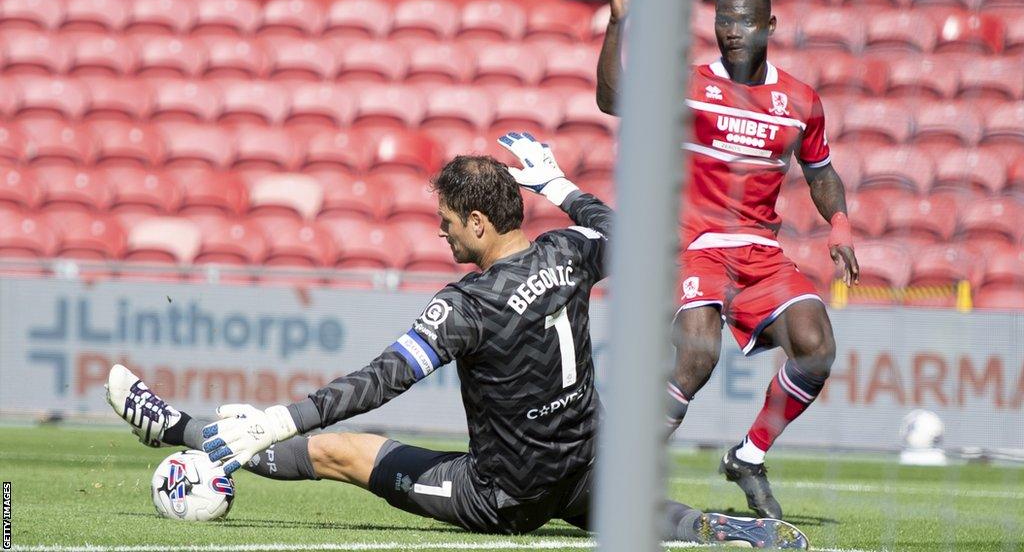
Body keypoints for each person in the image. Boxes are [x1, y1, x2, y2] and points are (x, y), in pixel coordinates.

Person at [105, 132, 809, 548]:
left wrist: (276, 419)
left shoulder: (466, 306)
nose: (439, 231)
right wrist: (561, 186)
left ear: (477, 222)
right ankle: (715, 528)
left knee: (341, 454)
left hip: (501, 494)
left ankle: (173, 426)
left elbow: (380, 380)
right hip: (582, 465)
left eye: (446, 220)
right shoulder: (568, 251)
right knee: (618, 505)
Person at [596, 0, 860, 520]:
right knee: (697, 354)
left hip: (760, 253)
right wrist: (619, 20)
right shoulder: (688, 85)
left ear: (769, 26)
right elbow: (610, 98)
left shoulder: (800, 102)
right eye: (723, 20)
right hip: (693, 247)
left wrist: (839, 223)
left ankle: (748, 455)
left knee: (817, 345)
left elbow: (821, 171)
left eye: (744, 21)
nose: (732, 31)